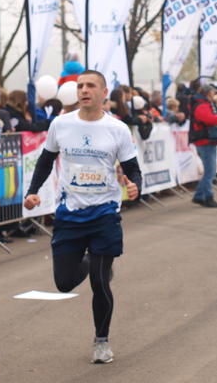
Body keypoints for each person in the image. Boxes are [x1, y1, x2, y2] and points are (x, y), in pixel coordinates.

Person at [23, 70, 142, 364]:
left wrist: (135, 185)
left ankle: (101, 341)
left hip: (104, 213)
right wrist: (33, 191)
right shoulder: (61, 124)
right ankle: (90, 260)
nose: (84, 90)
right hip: (70, 214)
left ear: (104, 92)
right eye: (80, 86)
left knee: (100, 282)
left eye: (90, 86)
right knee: (64, 283)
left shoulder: (117, 129)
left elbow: (133, 169)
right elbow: (45, 161)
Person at [189, 83, 217, 208]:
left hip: (207, 139)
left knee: (210, 171)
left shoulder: (203, 104)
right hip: (205, 140)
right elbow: (207, 119)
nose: (214, 94)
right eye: (213, 92)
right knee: (210, 172)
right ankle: (208, 197)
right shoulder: (202, 105)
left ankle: (199, 196)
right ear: (208, 93)